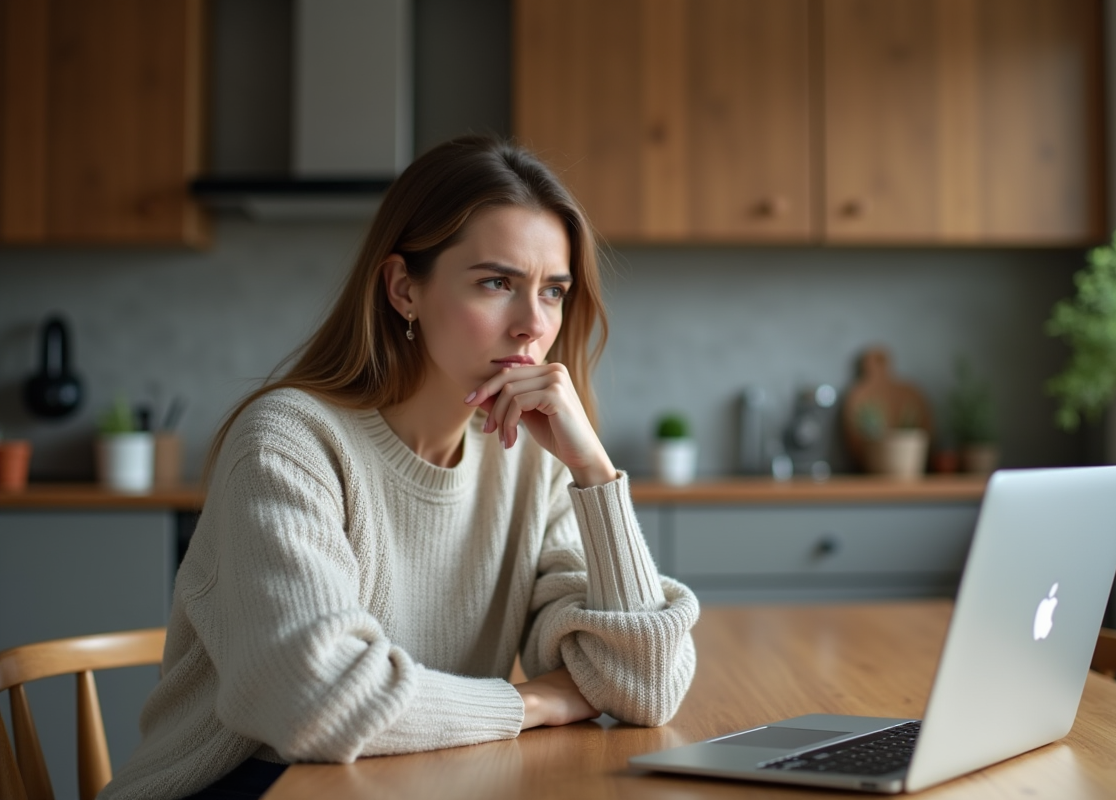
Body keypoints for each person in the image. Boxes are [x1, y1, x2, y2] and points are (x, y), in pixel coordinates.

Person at [99, 135, 699, 800]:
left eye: (553, 291)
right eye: (497, 283)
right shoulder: (290, 441)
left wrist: (594, 473)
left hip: (411, 779)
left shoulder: (536, 460)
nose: (532, 324)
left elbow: (644, 687)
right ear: (403, 289)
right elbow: (318, 704)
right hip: (244, 785)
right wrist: (533, 703)